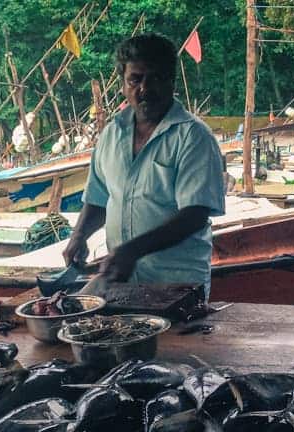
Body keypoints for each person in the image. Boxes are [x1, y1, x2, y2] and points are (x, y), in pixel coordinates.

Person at [62, 33, 225, 297]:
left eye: (155, 78)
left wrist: (131, 250)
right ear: (123, 85)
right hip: (121, 282)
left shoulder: (193, 137)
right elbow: (99, 198)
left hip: (176, 285)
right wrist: (79, 236)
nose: (144, 89)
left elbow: (194, 215)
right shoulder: (111, 134)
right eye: (135, 79)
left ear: (171, 82)